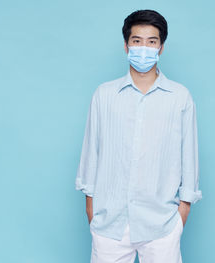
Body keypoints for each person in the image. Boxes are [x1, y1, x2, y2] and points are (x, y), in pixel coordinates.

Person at [75, 9, 202, 263]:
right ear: (126, 46)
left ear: (161, 48)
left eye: (151, 41)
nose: (144, 48)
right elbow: (92, 151)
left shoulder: (180, 97)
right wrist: (92, 207)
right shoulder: (104, 95)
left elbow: (189, 155)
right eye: (137, 41)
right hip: (109, 222)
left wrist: (182, 212)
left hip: (161, 224)